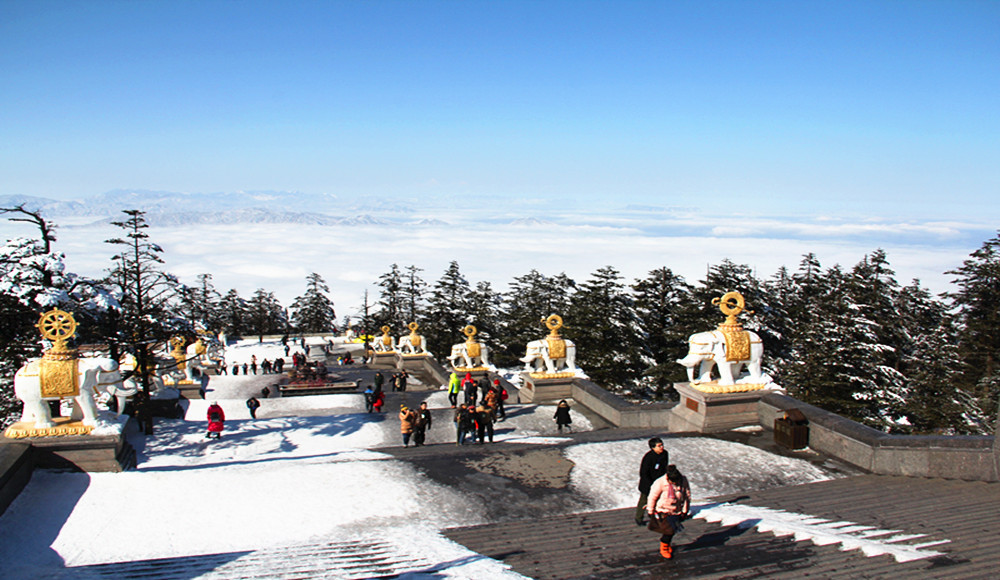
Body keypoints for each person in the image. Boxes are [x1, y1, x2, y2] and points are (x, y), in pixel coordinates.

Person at [646, 464, 691, 560]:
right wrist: (650, 510)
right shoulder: (660, 482)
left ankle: (666, 545)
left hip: (676, 510)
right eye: (672, 482)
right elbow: (652, 497)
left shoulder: (683, 480)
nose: (675, 483)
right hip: (663, 510)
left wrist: (685, 510)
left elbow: (687, 495)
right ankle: (664, 547)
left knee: (672, 530)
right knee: (669, 531)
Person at [635, 437, 669, 526]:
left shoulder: (665, 454)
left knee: (660, 500)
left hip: (659, 482)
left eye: (662, 445)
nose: (662, 447)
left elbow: (665, 467)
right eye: (659, 446)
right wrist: (650, 485)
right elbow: (644, 473)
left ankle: (657, 516)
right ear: (653, 448)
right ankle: (639, 517)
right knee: (644, 500)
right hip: (648, 483)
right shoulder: (648, 457)